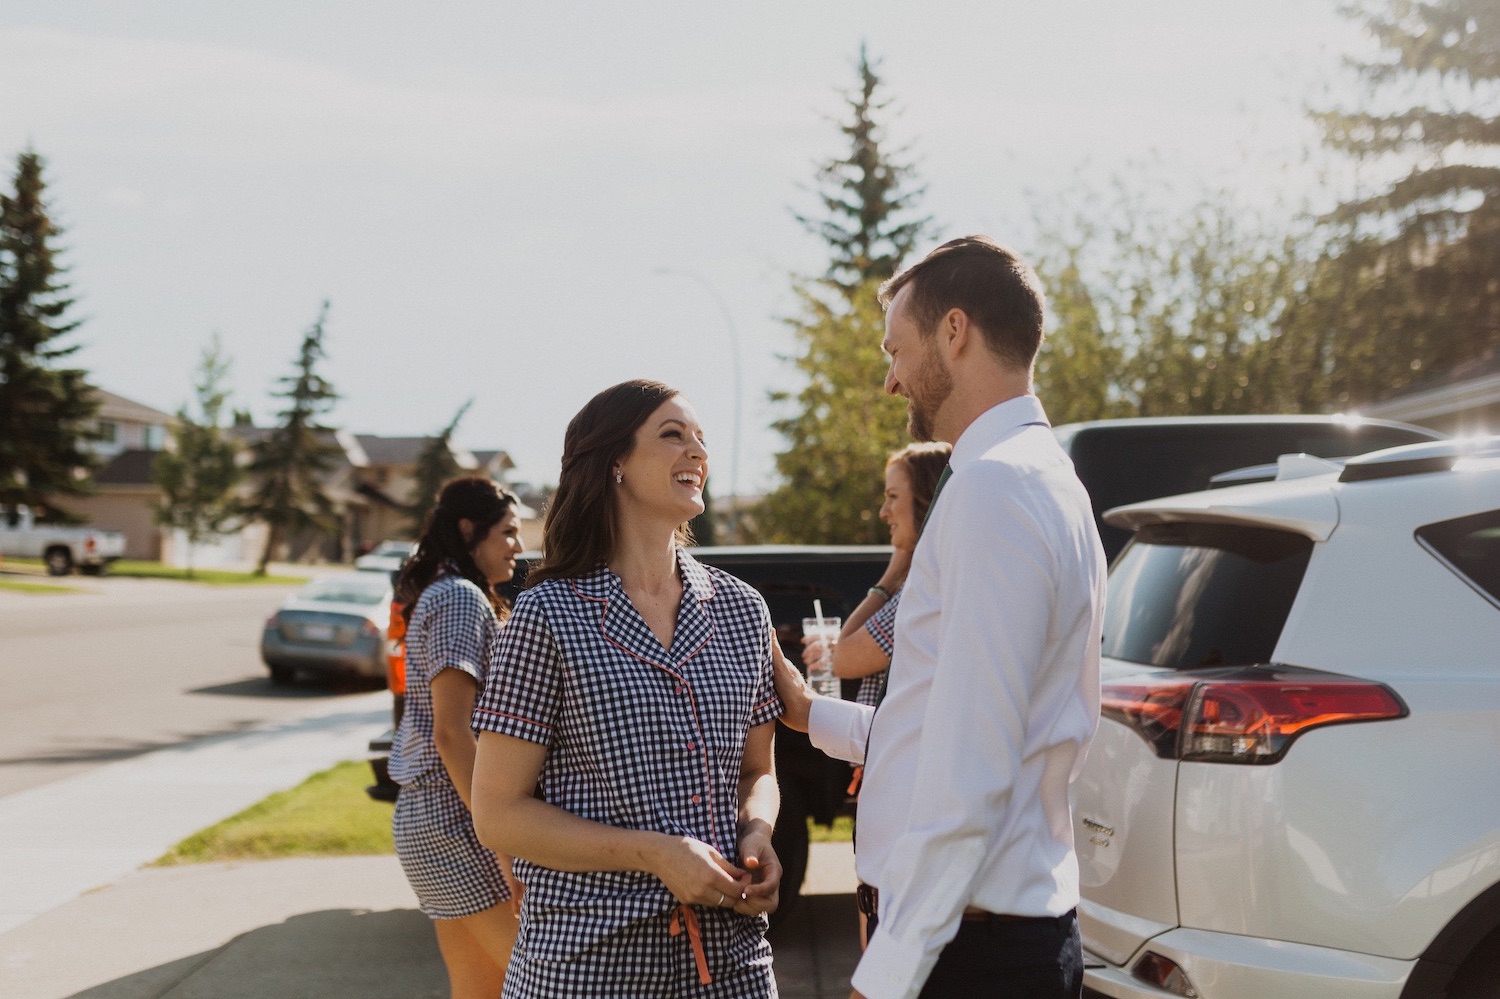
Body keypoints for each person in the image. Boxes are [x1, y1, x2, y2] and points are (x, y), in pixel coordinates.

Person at [773, 236, 1107, 999]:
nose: (891, 380)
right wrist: (812, 714)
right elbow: (953, 725)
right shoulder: (1040, 480)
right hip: (988, 939)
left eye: (897, 348)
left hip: (967, 954)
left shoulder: (994, 490)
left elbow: (971, 764)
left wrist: (886, 974)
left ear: (954, 332)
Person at [470, 379, 783, 998]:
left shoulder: (743, 609)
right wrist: (655, 853)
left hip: (733, 968)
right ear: (615, 461)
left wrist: (757, 835)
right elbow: (498, 814)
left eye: (700, 438)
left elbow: (758, 772)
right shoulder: (547, 616)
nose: (696, 450)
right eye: (672, 436)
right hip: (589, 966)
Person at [388, 475, 525, 999]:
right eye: (508, 532)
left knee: (479, 989)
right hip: (454, 824)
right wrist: (502, 839)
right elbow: (451, 731)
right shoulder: (460, 599)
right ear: (470, 530)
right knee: (539, 982)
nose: (517, 545)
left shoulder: (447, 592)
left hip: (433, 820)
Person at [801, 442, 951, 710]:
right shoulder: (942, 574)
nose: (883, 512)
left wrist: (890, 576)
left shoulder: (925, 586)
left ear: (926, 500)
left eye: (893, 496)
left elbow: (844, 660)